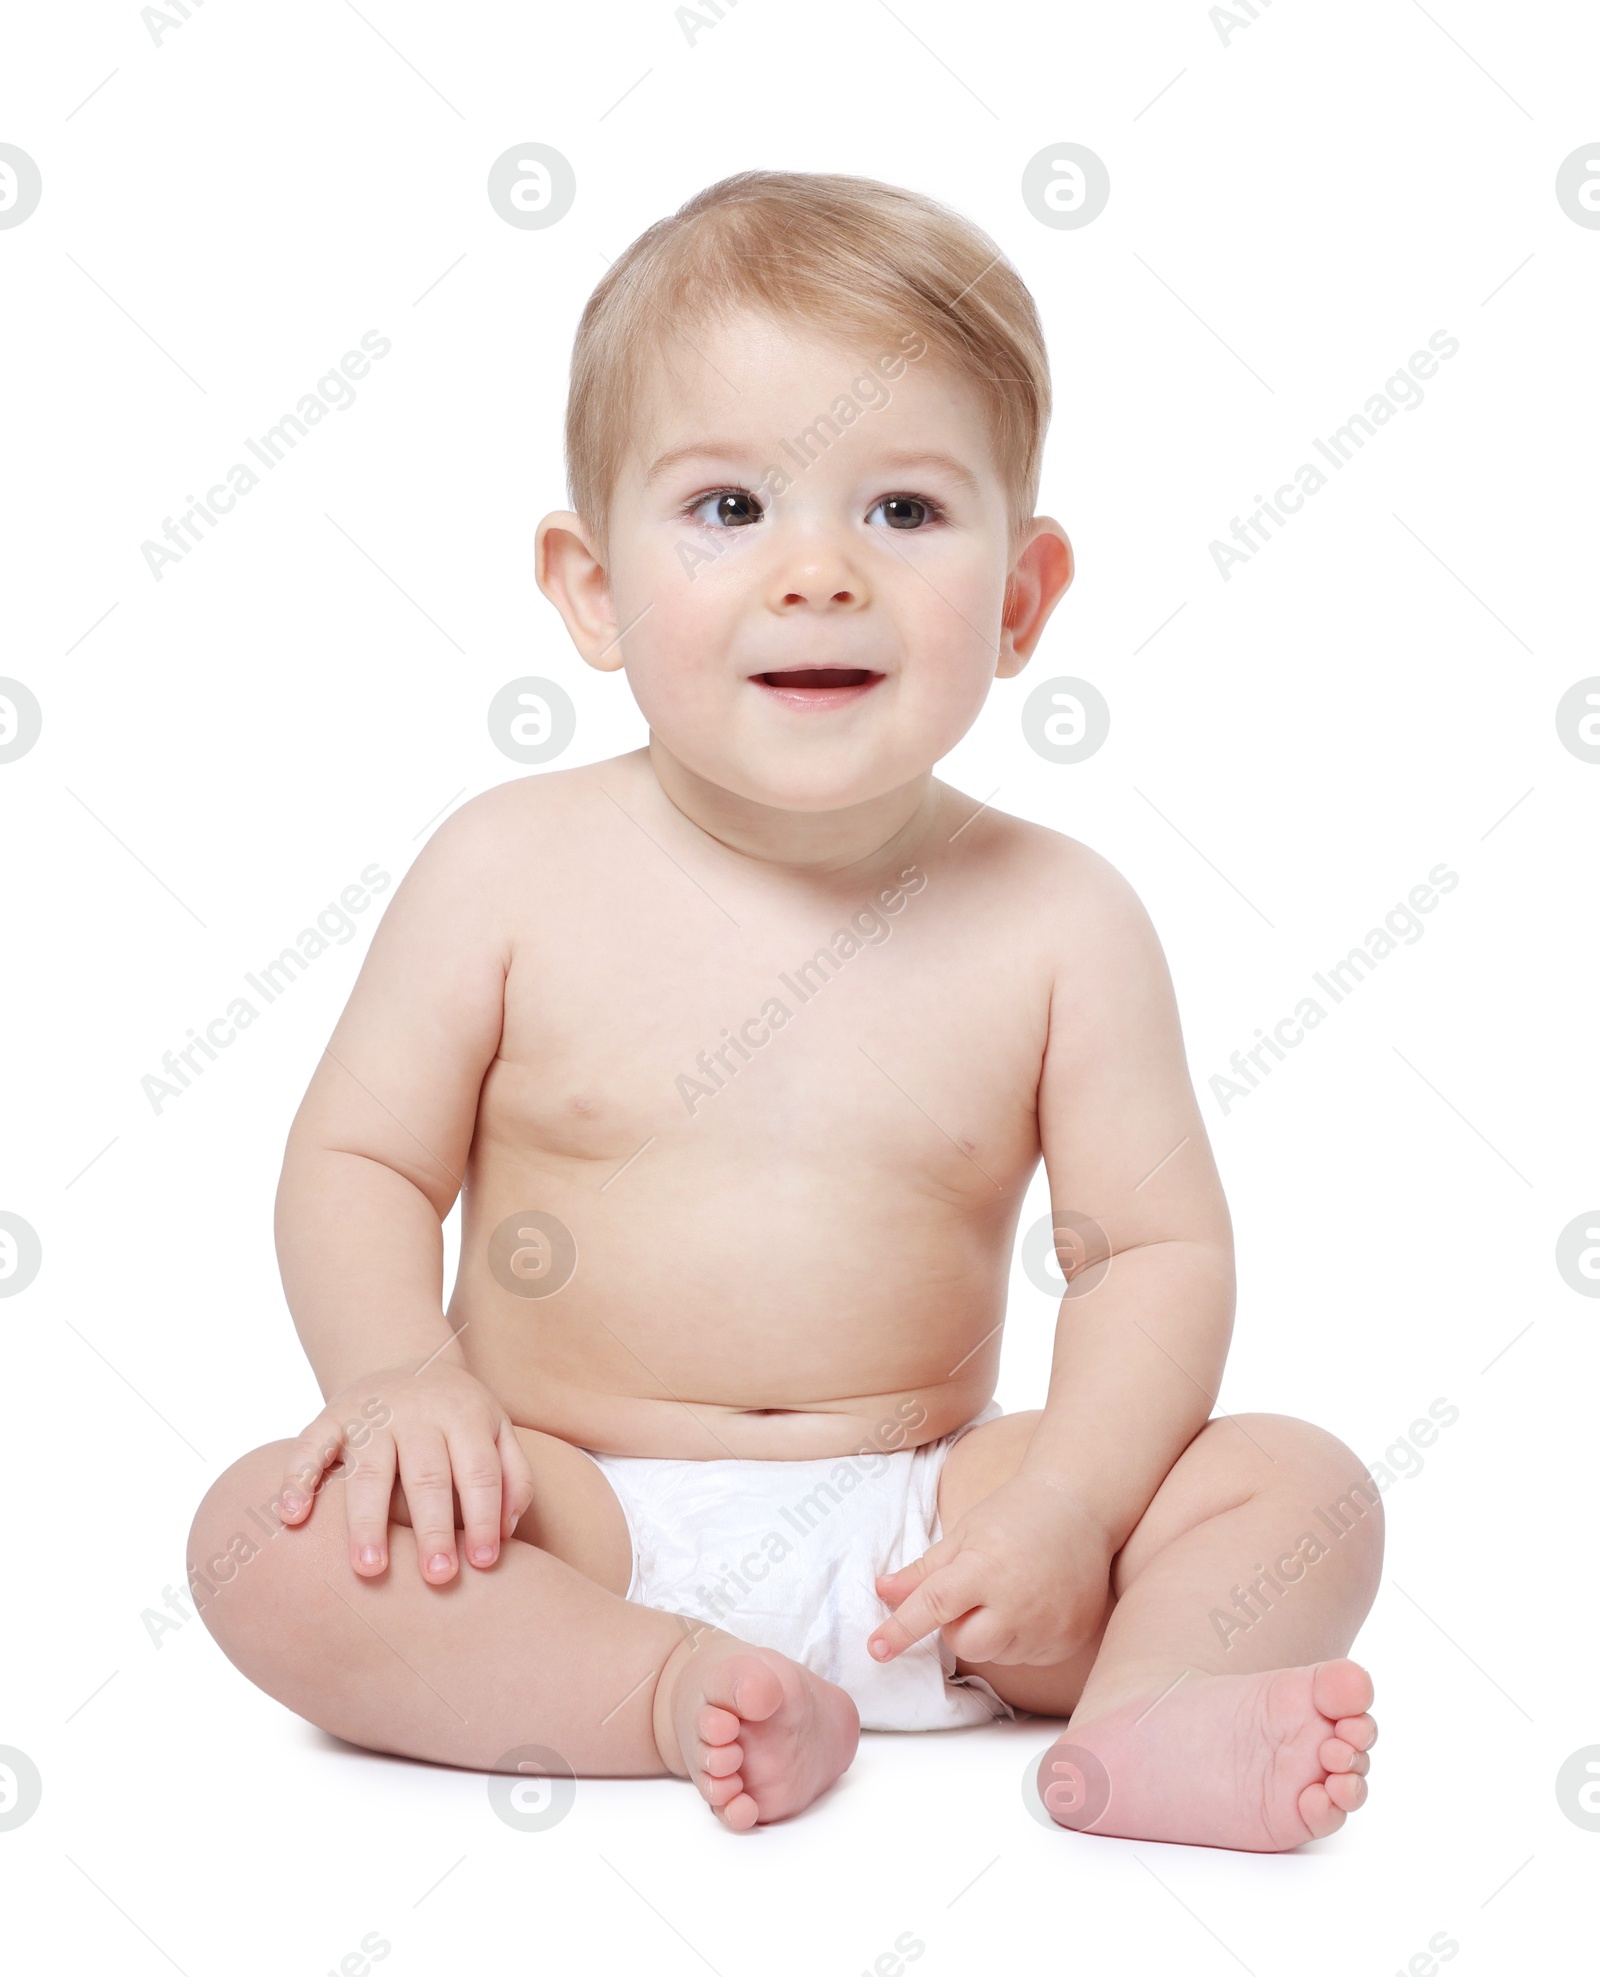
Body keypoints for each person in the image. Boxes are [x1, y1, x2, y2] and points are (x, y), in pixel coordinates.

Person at [189, 171, 1380, 1846]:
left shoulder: (1062, 919)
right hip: (564, 1512)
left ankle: (1140, 1723)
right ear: (591, 586)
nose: (818, 572)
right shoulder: (504, 870)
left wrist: (1064, 1506)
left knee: (1298, 1487)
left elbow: (1153, 1255)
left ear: (1024, 599)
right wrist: (395, 1379)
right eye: (731, 508)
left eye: (901, 511)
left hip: (933, 1533)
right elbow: (361, 1161)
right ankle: (668, 1691)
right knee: (272, 1536)